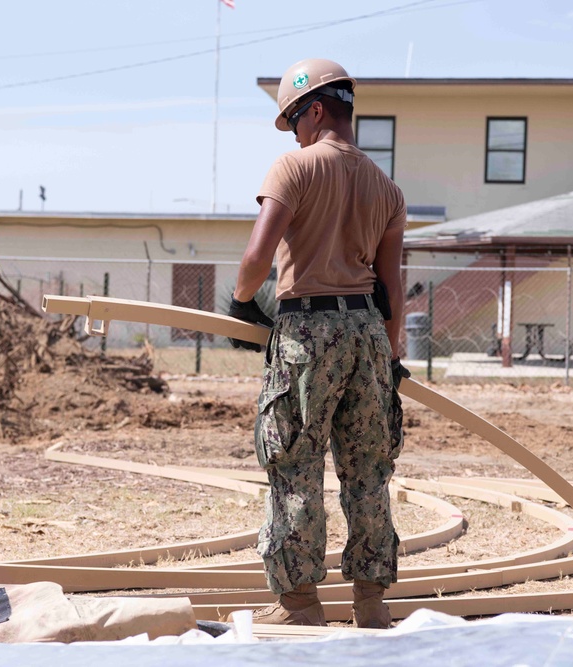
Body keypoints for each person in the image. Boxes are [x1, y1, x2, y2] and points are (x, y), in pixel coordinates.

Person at [227, 58, 409, 629]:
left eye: (295, 120)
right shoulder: (385, 187)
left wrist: (239, 301)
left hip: (307, 331)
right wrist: (393, 354)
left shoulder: (293, 169)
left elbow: (258, 256)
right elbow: (392, 288)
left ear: (316, 109)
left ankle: (300, 603)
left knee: (295, 463)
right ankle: (371, 604)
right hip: (366, 335)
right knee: (368, 468)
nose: (295, 133)